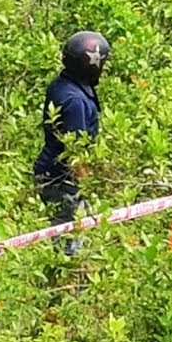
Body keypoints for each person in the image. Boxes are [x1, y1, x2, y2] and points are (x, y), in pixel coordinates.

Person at [33, 31, 111, 255]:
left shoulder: (63, 85)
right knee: (71, 245)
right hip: (62, 180)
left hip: (50, 172)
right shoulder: (76, 102)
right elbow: (74, 153)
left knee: (65, 237)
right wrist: (90, 188)